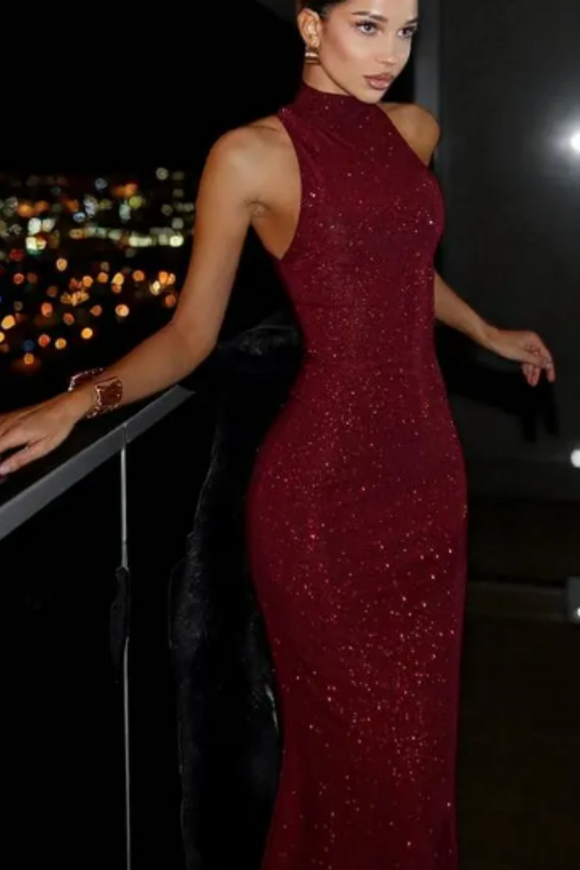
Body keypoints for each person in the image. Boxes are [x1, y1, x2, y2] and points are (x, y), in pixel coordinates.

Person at [0, 1, 556, 867]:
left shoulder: (414, 129)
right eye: (368, 26)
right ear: (309, 24)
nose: (392, 54)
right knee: (344, 763)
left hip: (427, 484)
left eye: (406, 31)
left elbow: (400, 275)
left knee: (415, 767)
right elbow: (190, 337)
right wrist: (82, 399)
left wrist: (487, 331)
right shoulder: (251, 154)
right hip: (321, 506)